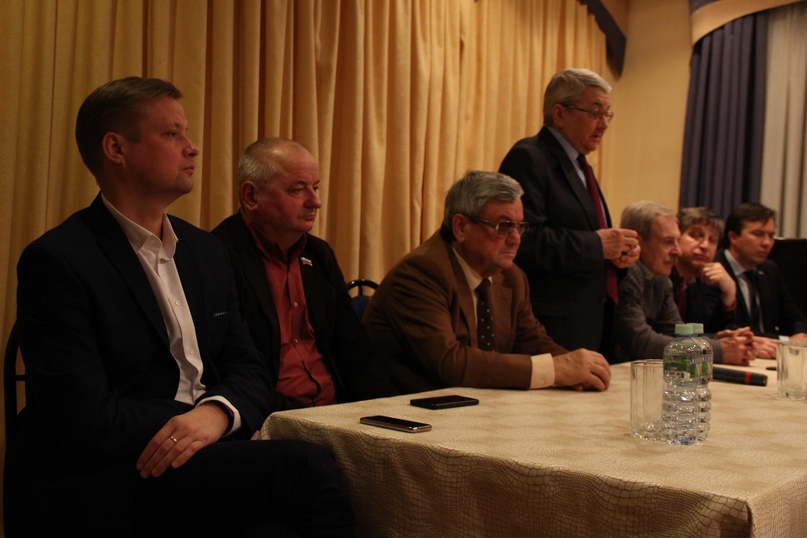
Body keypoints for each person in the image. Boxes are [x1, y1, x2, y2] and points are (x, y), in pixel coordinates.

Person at [5, 77, 355, 537]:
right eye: (172, 134)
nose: (192, 147)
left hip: (199, 452)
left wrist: (217, 413)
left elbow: (249, 366)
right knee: (309, 469)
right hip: (117, 471)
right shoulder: (59, 261)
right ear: (116, 148)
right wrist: (195, 419)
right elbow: (86, 421)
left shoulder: (204, 251)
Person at [362, 170, 611, 394]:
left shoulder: (511, 277)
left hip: (474, 407)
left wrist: (578, 367)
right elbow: (450, 363)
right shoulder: (421, 273)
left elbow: (531, 341)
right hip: (407, 411)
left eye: (519, 226)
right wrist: (555, 369)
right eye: (504, 226)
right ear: (461, 227)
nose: (516, 239)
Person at [211, 137, 397, 412]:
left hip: (338, 411)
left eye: (316, 188)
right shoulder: (217, 256)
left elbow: (355, 351)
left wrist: (389, 410)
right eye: (298, 190)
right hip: (271, 416)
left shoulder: (319, 254)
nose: (316, 202)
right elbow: (228, 368)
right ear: (251, 196)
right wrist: (302, 420)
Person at [498, 68, 640, 359]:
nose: (604, 124)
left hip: (591, 322)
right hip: (549, 325)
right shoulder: (529, 157)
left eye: (607, 114)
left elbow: (592, 240)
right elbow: (521, 239)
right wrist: (597, 245)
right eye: (595, 112)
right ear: (560, 114)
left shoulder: (580, 166)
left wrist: (619, 256)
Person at [611, 201, 750, 365]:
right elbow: (641, 342)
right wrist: (717, 350)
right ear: (637, 242)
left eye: (677, 241)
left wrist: (720, 343)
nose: (677, 250)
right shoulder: (625, 272)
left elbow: (676, 332)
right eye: (668, 241)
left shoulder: (660, 278)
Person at [716, 202, 807, 357]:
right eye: (758, 234)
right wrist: (784, 341)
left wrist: (800, 336)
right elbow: (722, 328)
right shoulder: (714, 270)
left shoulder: (769, 269)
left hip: (769, 358)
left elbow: (794, 318)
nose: (767, 243)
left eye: (771, 236)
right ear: (733, 237)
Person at [670, 207, 737, 333]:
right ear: (677, 237)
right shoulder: (662, 276)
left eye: (712, 240)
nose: (705, 246)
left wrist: (729, 293)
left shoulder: (697, 281)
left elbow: (705, 332)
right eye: (696, 236)